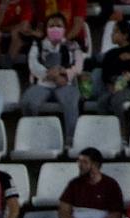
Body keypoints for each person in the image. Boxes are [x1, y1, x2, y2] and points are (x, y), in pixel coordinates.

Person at [21, 11, 82, 140]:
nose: (55, 28)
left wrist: (63, 73)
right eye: (51, 26)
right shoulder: (37, 45)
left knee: (71, 103)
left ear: (65, 29)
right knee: (28, 101)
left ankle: (71, 140)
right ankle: (31, 137)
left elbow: (78, 66)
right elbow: (33, 63)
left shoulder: (72, 45)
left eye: (59, 26)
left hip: (65, 83)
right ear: (46, 29)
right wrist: (50, 75)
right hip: (44, 83)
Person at [95, 18, 130, 127]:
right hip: (113, 86)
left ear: (125, 35)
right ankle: (105, 128)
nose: (112, 35)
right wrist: (110, 85)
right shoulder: (110, 54)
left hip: (129, 86)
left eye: (116, 32)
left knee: (117, 101)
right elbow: (105, 74)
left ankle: (122, 131)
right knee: (102, 102)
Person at [0, 0, 34, 69]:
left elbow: (24, 26)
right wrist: (3, 7)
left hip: (14, 32)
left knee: (17, 34)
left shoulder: (25, 3)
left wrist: (6, 29)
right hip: (1, 32)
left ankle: (7, 65)